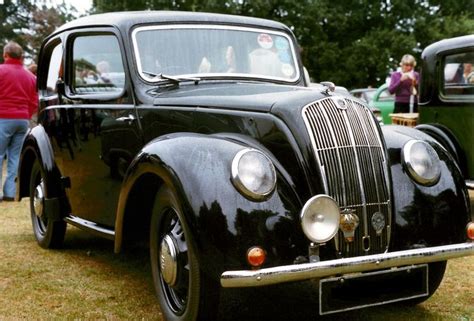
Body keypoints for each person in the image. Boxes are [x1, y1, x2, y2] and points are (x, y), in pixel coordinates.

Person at [0, 41, 38, 201]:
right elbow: (35, 100)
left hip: (3, 117)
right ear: (21, 56)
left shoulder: (1, 71)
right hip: (22, 120)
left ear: (5, 55)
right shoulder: (30, 76)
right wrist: (26, 114)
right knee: (15, 156)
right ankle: (10, 193)